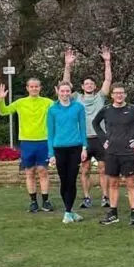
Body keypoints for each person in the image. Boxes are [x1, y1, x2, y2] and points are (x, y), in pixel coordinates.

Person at [93, 83, 134, 226]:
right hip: (111, 153)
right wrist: (104, 139)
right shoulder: (106, 110)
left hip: (127, 153)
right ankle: (113, 214)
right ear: (112, 95)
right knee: (113, 183)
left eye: (121, 93)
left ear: (125, 95)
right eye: (116, 93)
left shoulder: (133, 110)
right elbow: (95, 123)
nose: (119, 95)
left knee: (131, 183)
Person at [62, 46, 112, 208]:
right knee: (84, 170)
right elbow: (66, 84)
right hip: (83, 140)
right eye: (86, 83)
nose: (89, 85)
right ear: (82, 87)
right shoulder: (76, 98)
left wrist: (107, 62)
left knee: (103, 169)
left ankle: (105, 197)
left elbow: (108, 81)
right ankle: (87, 198)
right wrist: (68, 66)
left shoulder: (100, 97)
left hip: (100, 139)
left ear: (94, 86)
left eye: (91, 83)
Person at [0, 79, 54, 212]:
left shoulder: (48, 102)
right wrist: (0, 100)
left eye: (36, 86)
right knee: (30, 172)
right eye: (31, 86)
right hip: (27, 142)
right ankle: (33, 202)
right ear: (27, 88)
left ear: (40, 88)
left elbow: (61, 109)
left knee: (43, 171)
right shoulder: (20, 103)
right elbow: (4, 111)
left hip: (43, 141)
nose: (34, 89)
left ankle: (45, 201)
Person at [47, 81, 88, 223]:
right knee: (64, 181)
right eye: (62, 91)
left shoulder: (78, 107)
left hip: (75, 148)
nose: (65, 94)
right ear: (57, 91)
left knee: (72, 180)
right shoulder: (52, 110)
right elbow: (50, 133)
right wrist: (51, 154)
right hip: (59, 149)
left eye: (67, 91)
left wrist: (84, 147)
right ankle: (69, 211)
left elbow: (83, 129)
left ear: (71, 92)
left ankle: (68, 212)